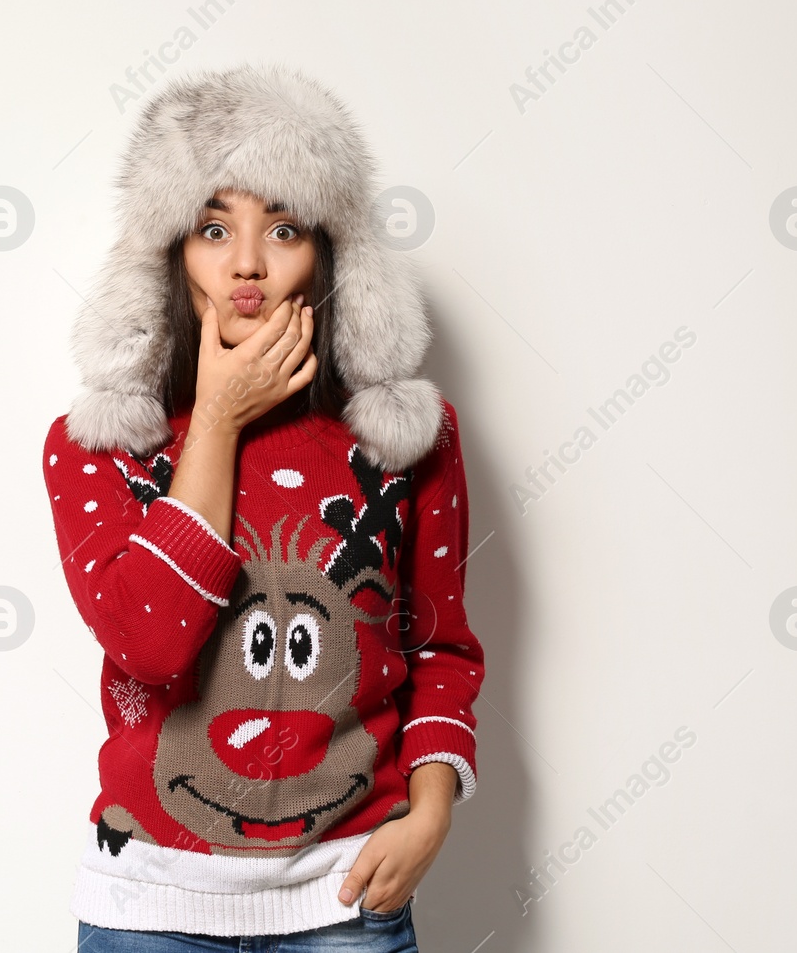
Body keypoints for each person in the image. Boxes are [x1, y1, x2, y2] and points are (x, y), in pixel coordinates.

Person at [42, 63, 485, 951]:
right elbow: (151, 643)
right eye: (214, 227)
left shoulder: (404, 443)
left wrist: (430, 815)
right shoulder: (97, 448)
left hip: (348, 902)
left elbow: (439, 645)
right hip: (151, 909)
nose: (247, 263)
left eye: (281, 227)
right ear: (171, 252)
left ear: (330, 251)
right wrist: (216, 416)